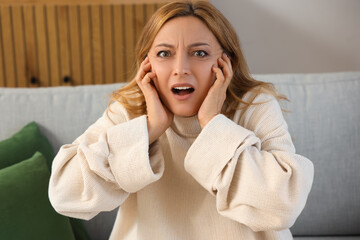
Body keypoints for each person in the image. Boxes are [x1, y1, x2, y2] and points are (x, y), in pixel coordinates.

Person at [49, 1, 314, 239]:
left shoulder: (255, 105)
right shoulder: (131, 109)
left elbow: (285, 204)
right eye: (165, 53)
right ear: (147, 64)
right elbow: (64, 194)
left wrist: (212, 123)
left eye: (199, 53)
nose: (180, 68)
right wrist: (150, 129)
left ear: (225, 64)